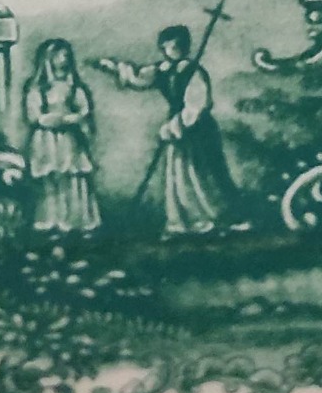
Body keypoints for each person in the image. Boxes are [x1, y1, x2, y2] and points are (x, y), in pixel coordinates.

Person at [99, 23, 240, 237]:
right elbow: (139, 77)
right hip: (177, 128)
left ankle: (216, 216)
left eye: (174, 46)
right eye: (166, 47)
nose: (170, 51)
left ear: (184, 46)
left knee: (204, 172)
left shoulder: (193, 72)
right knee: (180, 174)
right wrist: (115, 68)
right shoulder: (162, 70)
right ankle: (185, 220)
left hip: (198, 129)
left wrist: (177, 125)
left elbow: (197, 104)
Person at [22, 38, 100, 238]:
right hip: (46, 141)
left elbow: (84, 110)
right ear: (49, 58)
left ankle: (77, 222)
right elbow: (34, 116)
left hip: (69, 140)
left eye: (66, 55)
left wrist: (71, 118)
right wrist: (54, 119)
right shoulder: (38, 88)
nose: (64, 58)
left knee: (73, 178)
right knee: (51, 180)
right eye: (60, 55)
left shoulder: (73, 87)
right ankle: (51, 222)